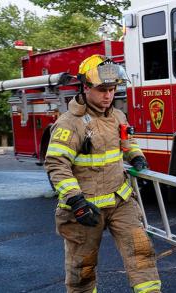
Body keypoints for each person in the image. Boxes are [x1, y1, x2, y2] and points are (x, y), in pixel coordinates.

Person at [44, 55, 160, 292]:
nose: (108, 95)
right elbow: (57, 164)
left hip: (120, 201)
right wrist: (75, 200)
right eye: (102, 90)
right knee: (82, 271)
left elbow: (128, 141)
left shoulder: (117, 116)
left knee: (141, 253)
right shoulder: (69, 124)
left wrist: (135, 155)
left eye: (112, 89)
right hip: (84, 208)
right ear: (86, 88)